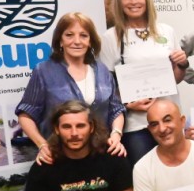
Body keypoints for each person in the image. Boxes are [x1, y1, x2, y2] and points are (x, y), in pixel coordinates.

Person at [99, 0, 189, 164]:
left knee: (176, 170)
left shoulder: (166, 31)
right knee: (144, 174)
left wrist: (181, 64)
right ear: (119, 2)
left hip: (169, 120)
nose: (133, 2)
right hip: (136, 125)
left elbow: (175, 79)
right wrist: (128, 103)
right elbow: (105, 86)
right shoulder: (111, 37)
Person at [17, 12, 126, 164]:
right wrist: (42, 145)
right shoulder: (43, 72)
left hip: (102, 154)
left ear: (90, 41)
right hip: (59, 158)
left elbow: (116, 110)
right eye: (69, 35)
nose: (77, 41)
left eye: (83, 36)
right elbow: (25, 115)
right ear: (60, 40)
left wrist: (116, 134)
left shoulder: (102, 71)